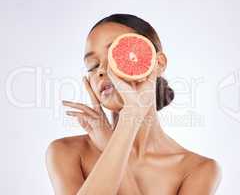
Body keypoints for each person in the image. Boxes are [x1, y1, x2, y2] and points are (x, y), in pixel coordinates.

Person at [45, 13, 222, 195]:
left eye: (118, 54)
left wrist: (113, 140)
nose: (102, 70)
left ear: (158, 63)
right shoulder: (66, 153)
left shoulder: (199, 170)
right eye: (92, 65)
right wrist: (125, 125)